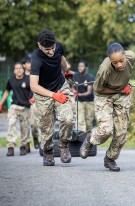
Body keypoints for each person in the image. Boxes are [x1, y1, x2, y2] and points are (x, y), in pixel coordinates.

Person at [80, 42, 135, 172]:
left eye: (122, 60)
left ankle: (110, 159)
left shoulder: (131, 56)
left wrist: (126, 86)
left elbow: (124, 75)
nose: (120, 65)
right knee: (106, 130)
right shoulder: (104, 69)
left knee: (122, 133)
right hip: (103, 95)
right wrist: (121, 89)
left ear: (125, 55)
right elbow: (97, 90)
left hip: (121, 96)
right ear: (110, 60)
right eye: (115, 62)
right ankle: (90, 139)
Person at [30, 29, 74, 166]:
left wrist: (66, 70)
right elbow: (33, 86)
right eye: (46, 49)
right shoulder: (36, 58)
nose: (50, 52)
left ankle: (64, 145)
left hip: (61, 87)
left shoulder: (59, 47)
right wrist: (53, 95)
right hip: (43, 94)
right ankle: (48, 151)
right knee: (46, 128)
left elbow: (61, 58)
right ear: (39, 45)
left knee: (68, 119)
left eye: (52, 48)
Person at [0, 62, 32, 156]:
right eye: (16, 68)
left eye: (20, 68)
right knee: (11, 123)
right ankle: (11, 146)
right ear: (14, 71)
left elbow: (34, 90)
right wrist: (1, 104)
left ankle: (23, 145)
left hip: (26, 107)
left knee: (25, 128)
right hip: (14, 106)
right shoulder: (11, 80)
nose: (18, 70)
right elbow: (7, 91)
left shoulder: (28, 79)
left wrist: (32, 100)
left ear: (23, 69)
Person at [21, 56, 40, 150]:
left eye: (31, 62)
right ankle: (27, 144)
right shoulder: (21, 76)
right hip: (23, 104)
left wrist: (34, 98)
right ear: (24, 65)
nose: (30, 64)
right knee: (25, 125)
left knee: (33, 124)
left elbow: (36, 88)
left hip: (33, 103)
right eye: (28, 63)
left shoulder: (34, 74)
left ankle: (36, 138)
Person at [73, 60, 95, 132]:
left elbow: (89, 92)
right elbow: (72, 87)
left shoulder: (90, 77)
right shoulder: (75, 76)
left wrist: (79, 94)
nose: (80, 68)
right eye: (79, 66)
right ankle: (80, 140)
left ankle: (88, 140)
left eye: (82, 66)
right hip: (79, 102)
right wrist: (73, 91)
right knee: (80, 120)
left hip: (89, 102)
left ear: (86, 67)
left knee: (89, 122)